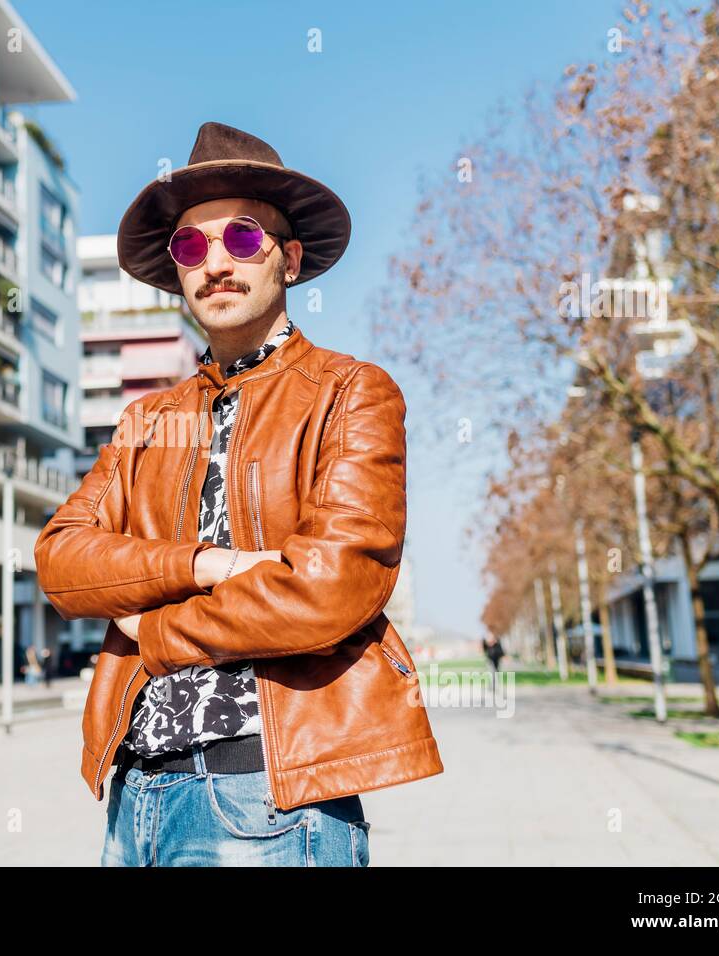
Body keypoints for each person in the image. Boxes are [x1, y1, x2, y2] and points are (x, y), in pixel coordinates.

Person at [35, 122, 444, 867]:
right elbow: (62, 561)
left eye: (242, 239)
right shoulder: (145, 421)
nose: (215, 263)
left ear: (287, 258)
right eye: (191, 247)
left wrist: (150, 631)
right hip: (133, 798)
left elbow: (333, 587)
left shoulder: (352, 394)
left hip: (267, 800)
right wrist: (207, 566)